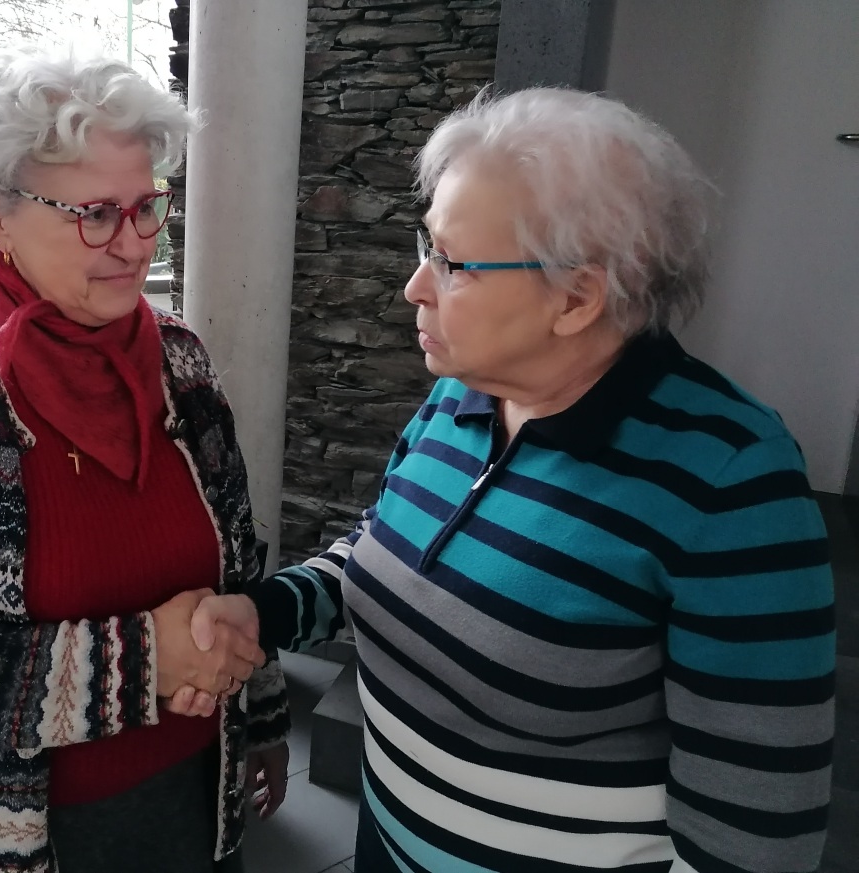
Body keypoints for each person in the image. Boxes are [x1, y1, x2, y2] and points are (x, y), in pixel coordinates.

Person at [191, 87, 836, 873]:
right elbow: (382, 548)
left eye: (453, 264)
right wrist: (263, 613)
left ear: (576, 297)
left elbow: (756, 832)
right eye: (424, 244)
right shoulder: (466, 391)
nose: (415, 287)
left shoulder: (732, 479)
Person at [0, 46, 290, 873]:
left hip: (190, 805)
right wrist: (144, 660)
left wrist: (261, 716)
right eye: (95, 212)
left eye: (148, 206)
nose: (132, 242)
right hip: (2, 844)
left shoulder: (181, 363)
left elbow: (238, 569)